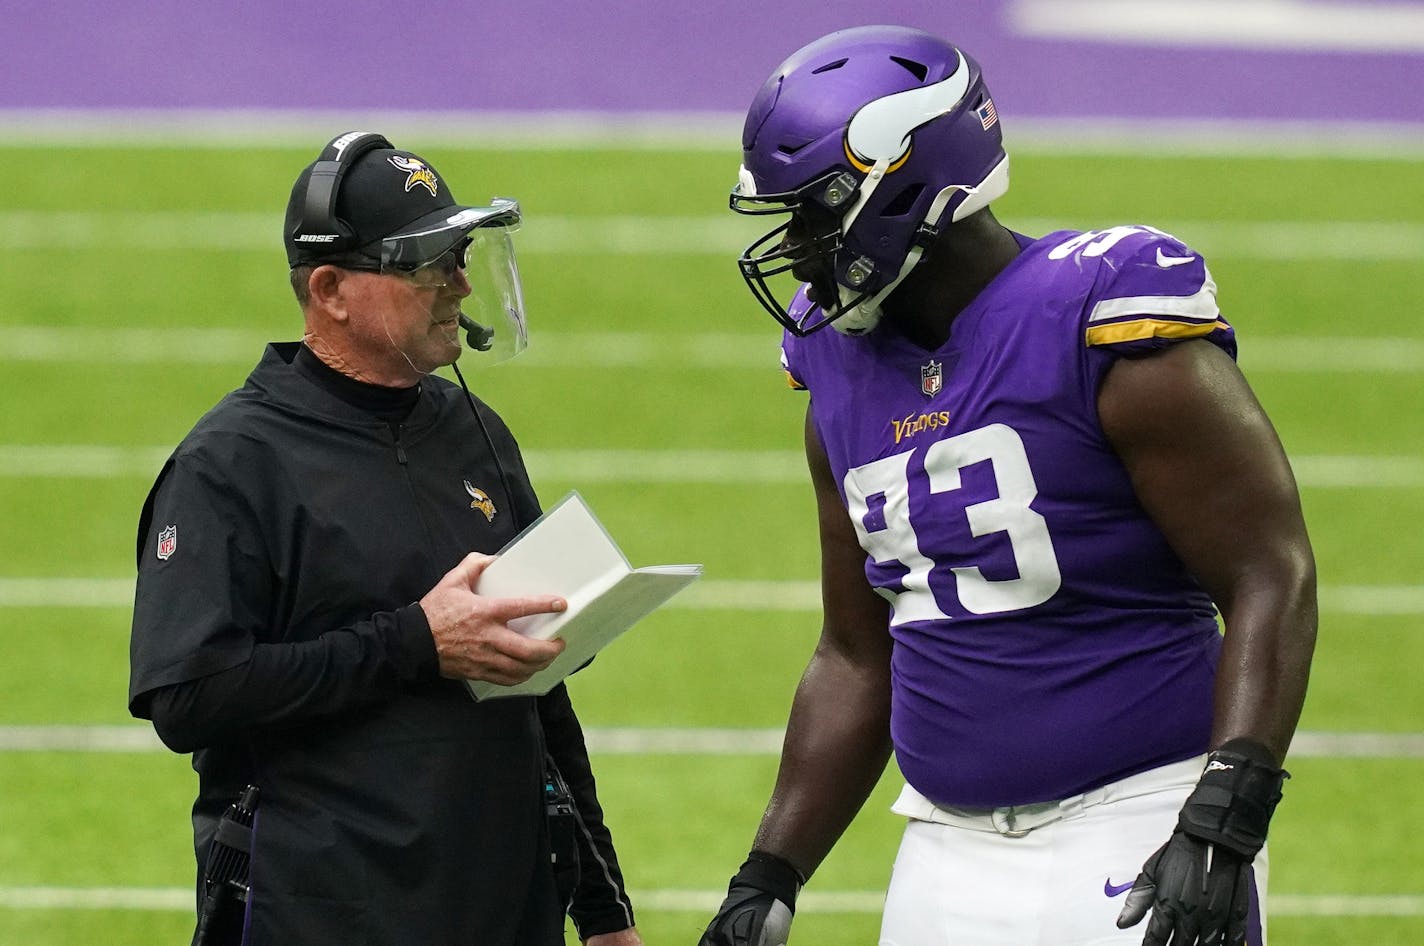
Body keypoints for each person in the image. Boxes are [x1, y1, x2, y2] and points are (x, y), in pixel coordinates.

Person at [698, 25, 1317, 946]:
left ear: (906, 182)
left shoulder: (1097, 318)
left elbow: (1271, 573)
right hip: (944, 840)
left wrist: (1226, 811)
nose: (797, 247)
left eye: (816, 214)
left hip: (1140, 816)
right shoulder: (834, 360)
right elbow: (858, 651)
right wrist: (771, 872)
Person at [128, 131, 642, 946]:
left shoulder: (476, 431)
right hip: (322, 912)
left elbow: (538, 691)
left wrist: (605, 909)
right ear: (331, 289)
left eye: (461, 254)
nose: (461, 284)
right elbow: (188, 695)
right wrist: (414, 642)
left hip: (506, 906)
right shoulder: (230, 464)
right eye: (427, 263)